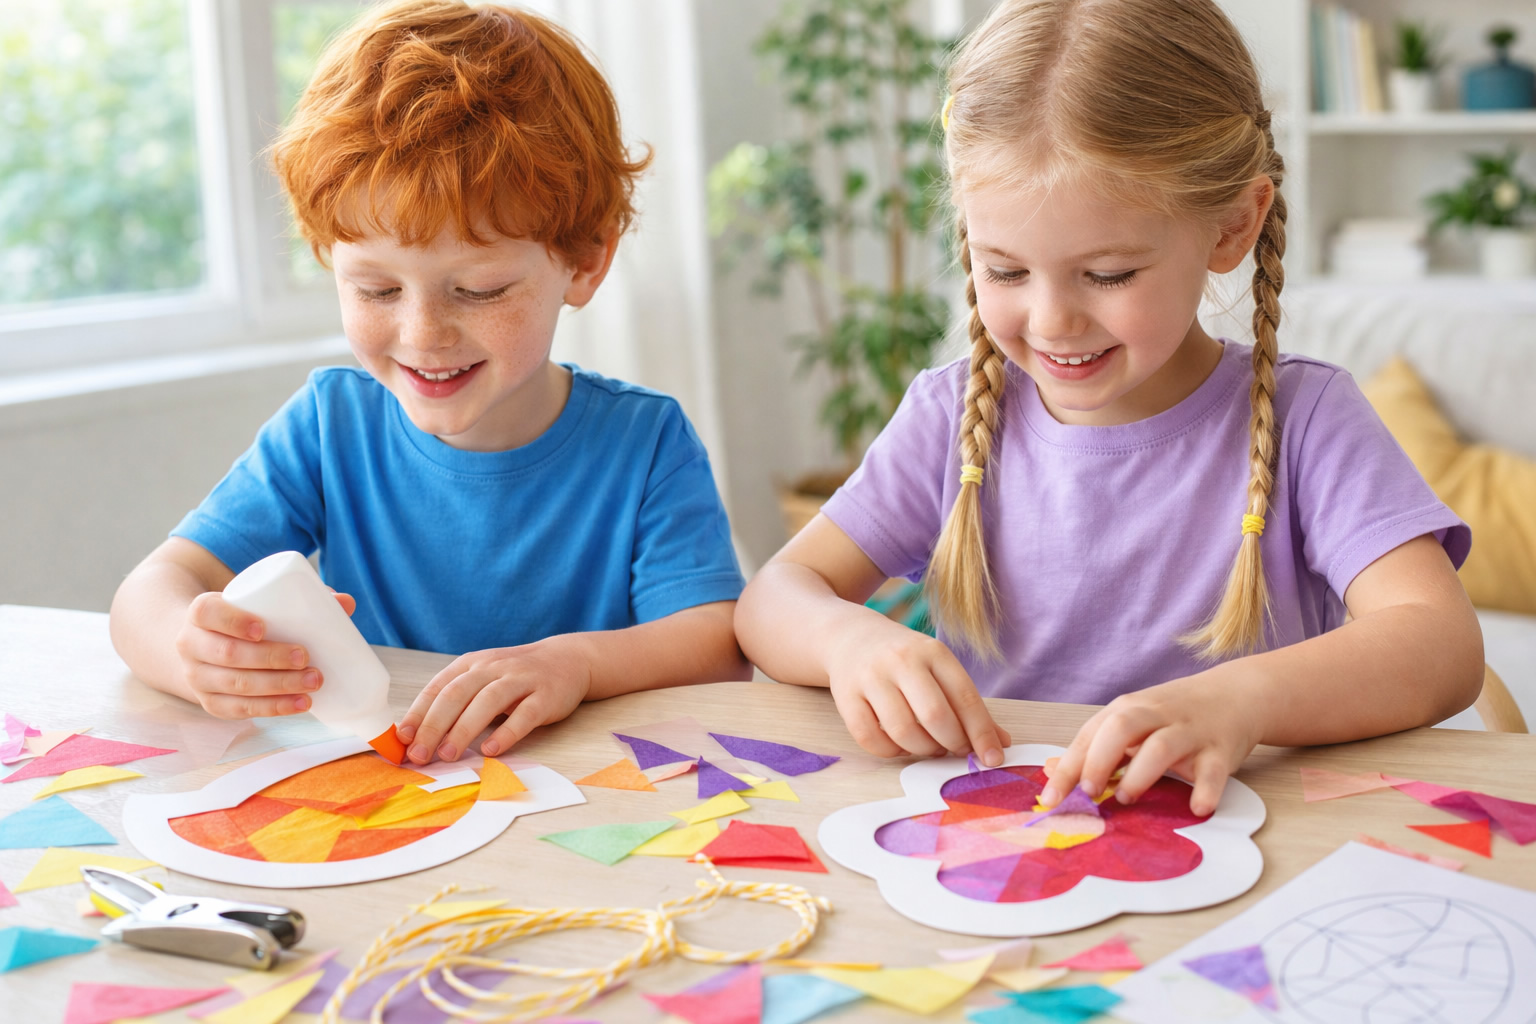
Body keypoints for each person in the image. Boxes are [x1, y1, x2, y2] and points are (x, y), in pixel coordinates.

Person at [735, 0, 1483, 816]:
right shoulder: (948, 419)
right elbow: (775, 596)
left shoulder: (1309, 416)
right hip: (1003, 847)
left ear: (1233, 225)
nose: (1053, 321)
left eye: (1110, 274)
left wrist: (1243, 701)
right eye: (1007, 272)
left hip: (1248, 846)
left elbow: (1440, 644)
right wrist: (848, 640)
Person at [110, 0, 749, 765]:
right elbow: (151, 591)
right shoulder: (327, 427)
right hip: (395, 797)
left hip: (592, 800)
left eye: (477, 290)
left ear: (583, 262)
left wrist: (575, 664)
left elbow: (715, 645)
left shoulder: (645, 442)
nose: (422, 335)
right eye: (377, 290)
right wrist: (193, 651)